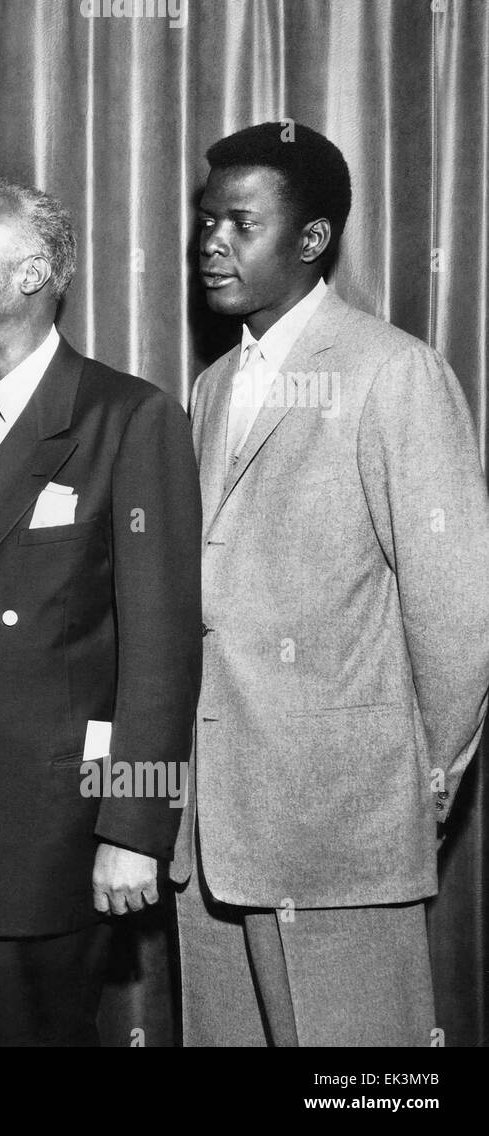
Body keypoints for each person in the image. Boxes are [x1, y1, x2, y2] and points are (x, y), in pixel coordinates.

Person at [173, 121, 489, 1045]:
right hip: (214, 832)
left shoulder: (394, 372)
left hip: (341, 825)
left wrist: (418, 786)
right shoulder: (212, 387)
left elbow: (458, 610)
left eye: (240, 222)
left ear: (311, 241)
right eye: (205, 221)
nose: (211, 243)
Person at [0, 178, 202, 1045]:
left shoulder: (127, 418)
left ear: (32, 277)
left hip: (42, 838)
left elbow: (163, 651)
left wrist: (134, 828)